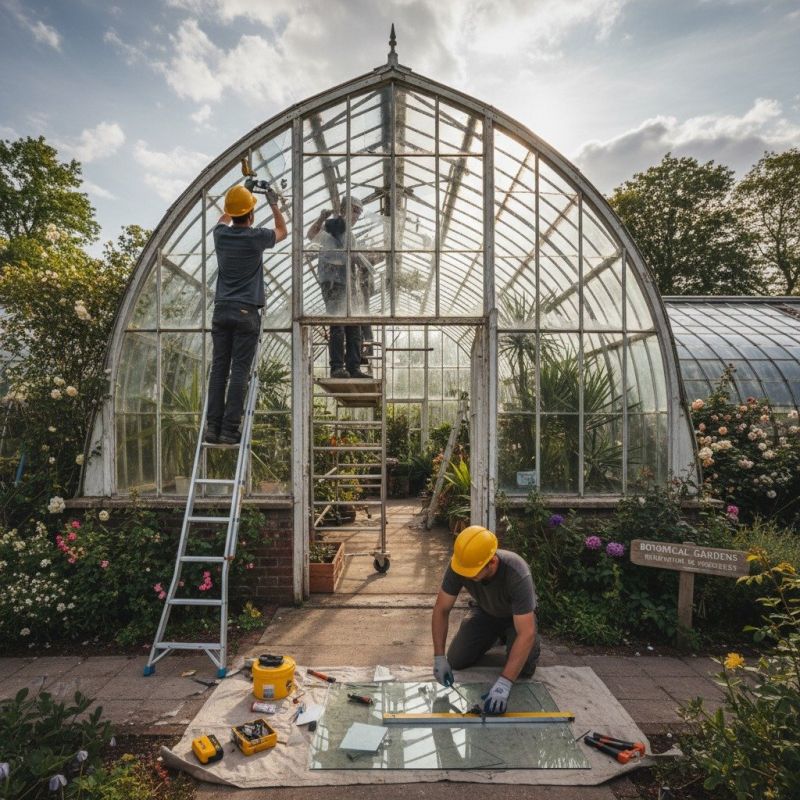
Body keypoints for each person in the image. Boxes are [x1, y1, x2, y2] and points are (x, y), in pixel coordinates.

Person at [205, 183, 287, 445]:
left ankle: (212, 427)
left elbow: (223, 218)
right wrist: (274, 204)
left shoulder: (220, 235)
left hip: (221, 310)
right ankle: (230, 430)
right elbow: (283, 231)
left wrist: (241, 193)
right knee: (239, 371)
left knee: (219, 370)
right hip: (245, 312)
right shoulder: (256, 237)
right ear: (251, 215)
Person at [431, 525, 540, 715]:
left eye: (472, 572)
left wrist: (504, 683)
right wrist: (439, 657)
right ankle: (495, 638)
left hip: (516, 620)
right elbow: (441, 609)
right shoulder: (461, 564)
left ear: (492, 562)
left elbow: (526, 632)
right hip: (486, 613)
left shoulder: (517, 572)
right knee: (456, 660)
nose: (466, 576)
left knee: (524, 669)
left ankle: (508, 639)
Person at [306, 196, 373, 379]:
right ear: (344, 209)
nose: (357, 215)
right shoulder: (334, 225)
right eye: (354, 210)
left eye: (359, 212)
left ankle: (354, 367)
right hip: (334, 284)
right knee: (338, 324)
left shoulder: (349, 233)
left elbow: (355, 256)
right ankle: (337, 367)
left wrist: (367, 265)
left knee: (355, 325)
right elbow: (311, 235)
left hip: (347, 284)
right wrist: (321, 218)